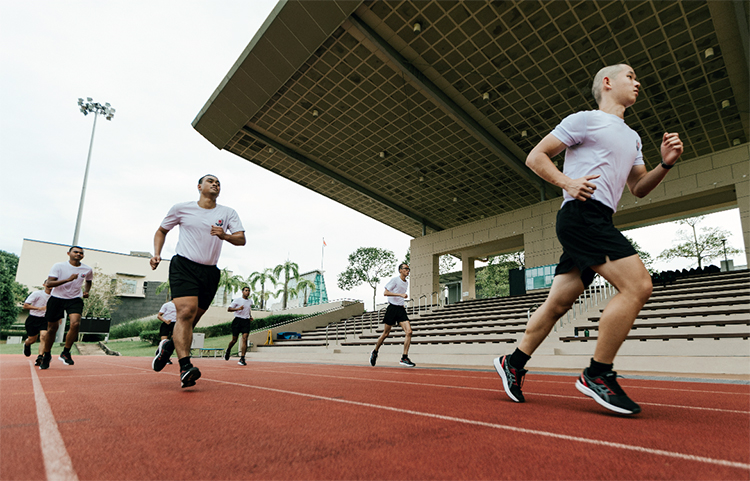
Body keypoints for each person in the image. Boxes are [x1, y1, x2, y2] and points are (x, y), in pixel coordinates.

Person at [494, 64, 683, 415]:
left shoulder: (634, 137)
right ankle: (598, 374)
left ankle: (513, 362)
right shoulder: (584, 119)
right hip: (581, 213)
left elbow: (638, 188)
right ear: (607, 83)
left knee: (557, 304)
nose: (637, 81)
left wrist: (665, 165)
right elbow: (535, 156)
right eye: (630, 75)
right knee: (638, 286)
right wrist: (568, 182)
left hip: (597, 217)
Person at [150, 174, 245, 388]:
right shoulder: (181, 208)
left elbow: (241, 239)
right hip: (184, 265)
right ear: (199, 186)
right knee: (186, 312)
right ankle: (185, 367)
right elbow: (161, 230)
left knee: (191, 321)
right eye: (210, 181)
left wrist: (225, 236)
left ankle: (167, 347)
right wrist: (156, 253)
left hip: (210, 272)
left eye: (218, 182)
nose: (215, 184)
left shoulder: (228, 213)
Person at [39, 246, 94, 369]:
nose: (78, 254)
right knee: (52, 328)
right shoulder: (58, 266)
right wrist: (68, 280)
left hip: (74, 299)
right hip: (57, 298)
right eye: (76, 252)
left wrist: (86, 291)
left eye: (81, 253)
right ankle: (47, 355)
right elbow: (49, 283)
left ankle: (66, 352)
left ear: (83, 256)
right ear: (69, 253)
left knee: (75, 324)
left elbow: (89, 280)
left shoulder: (87, 269)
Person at [369, 263, 416, 367]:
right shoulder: (395, 280)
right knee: (385, 334)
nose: (408, 271)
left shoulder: (406, 282)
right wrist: (400, 295)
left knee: (409, 332)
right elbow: (385, 293)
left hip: (400, 309)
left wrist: (402, 303)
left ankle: (404, 357)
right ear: (400, 270)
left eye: (409, 269)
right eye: (406, 269)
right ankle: (375, 351)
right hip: (392, 308)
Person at [22, 280, 52, 366]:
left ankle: (40, 357)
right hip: (33, 319)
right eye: (48, 284)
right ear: (44, 285)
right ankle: (27, 344)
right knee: (32, 340)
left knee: (43, 336)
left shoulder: (54, 296)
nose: (50, 286)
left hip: (45, 319)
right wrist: (39, 308)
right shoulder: (37, 294)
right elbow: (25, 305)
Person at [224, 286, 253, 366]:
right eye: (246, 290)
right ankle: (228, 350)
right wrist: (238, 309)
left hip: (246, 321)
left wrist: (250, 316)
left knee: (245, 338)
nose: (248, 292)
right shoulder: (237, 300)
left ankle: (242, 358)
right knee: (234, 340)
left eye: (249, 291)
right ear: (243, 292)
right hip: (237, 321)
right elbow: (229, 309)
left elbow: (248, 309)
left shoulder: (250, 301)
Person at [156, 300, 177, 365]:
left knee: (173, 341)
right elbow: (159, 315)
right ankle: (162, 355)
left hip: (176, 324)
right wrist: (165, 321)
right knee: (164, 341)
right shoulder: (166, 305)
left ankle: (166, 356)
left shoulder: (180, 305)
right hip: (166, 324)